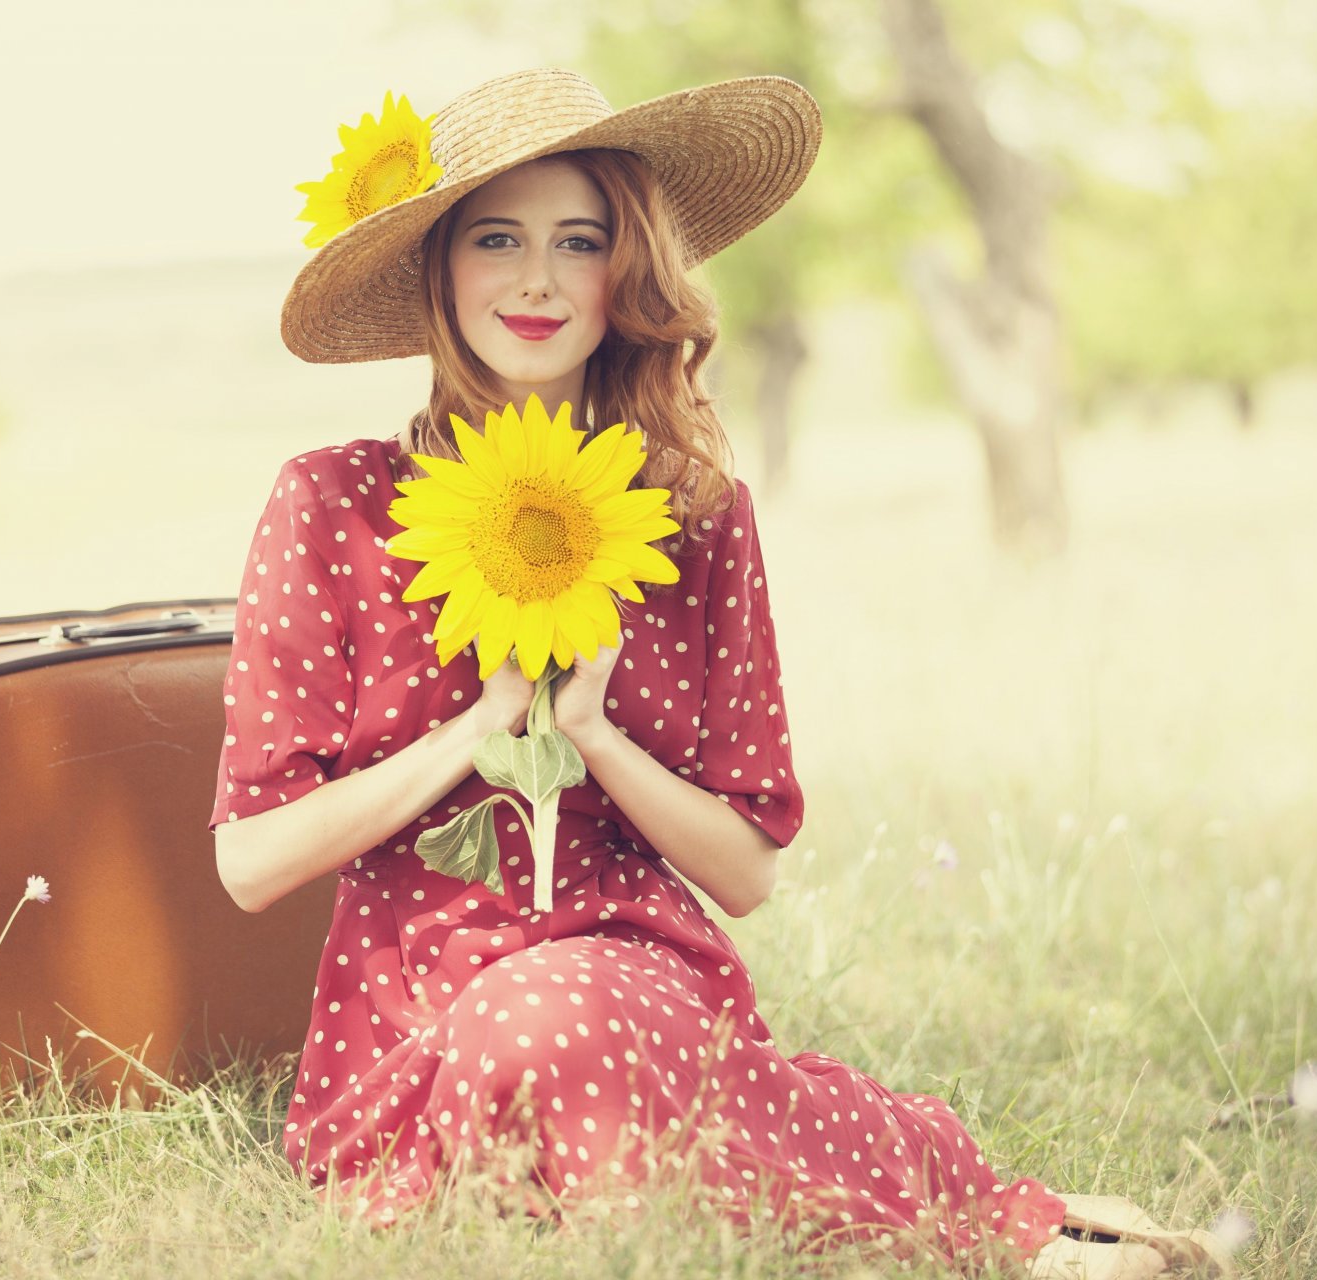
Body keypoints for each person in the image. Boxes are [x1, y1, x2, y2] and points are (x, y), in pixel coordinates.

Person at [210, 68, 1225, 1279]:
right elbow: (251, 860)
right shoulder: (337, 505)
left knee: (562, 1020)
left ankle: (881, 1217)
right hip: (412, 1019)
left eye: (579, 242)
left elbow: (744, 871)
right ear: (440, 270)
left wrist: (592, 734)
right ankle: (985, 1223)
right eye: (498, 239)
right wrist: (475, 726)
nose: (537, 280)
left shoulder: (693, 518)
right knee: (528, 1031)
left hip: (634, 986)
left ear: (624, 272)